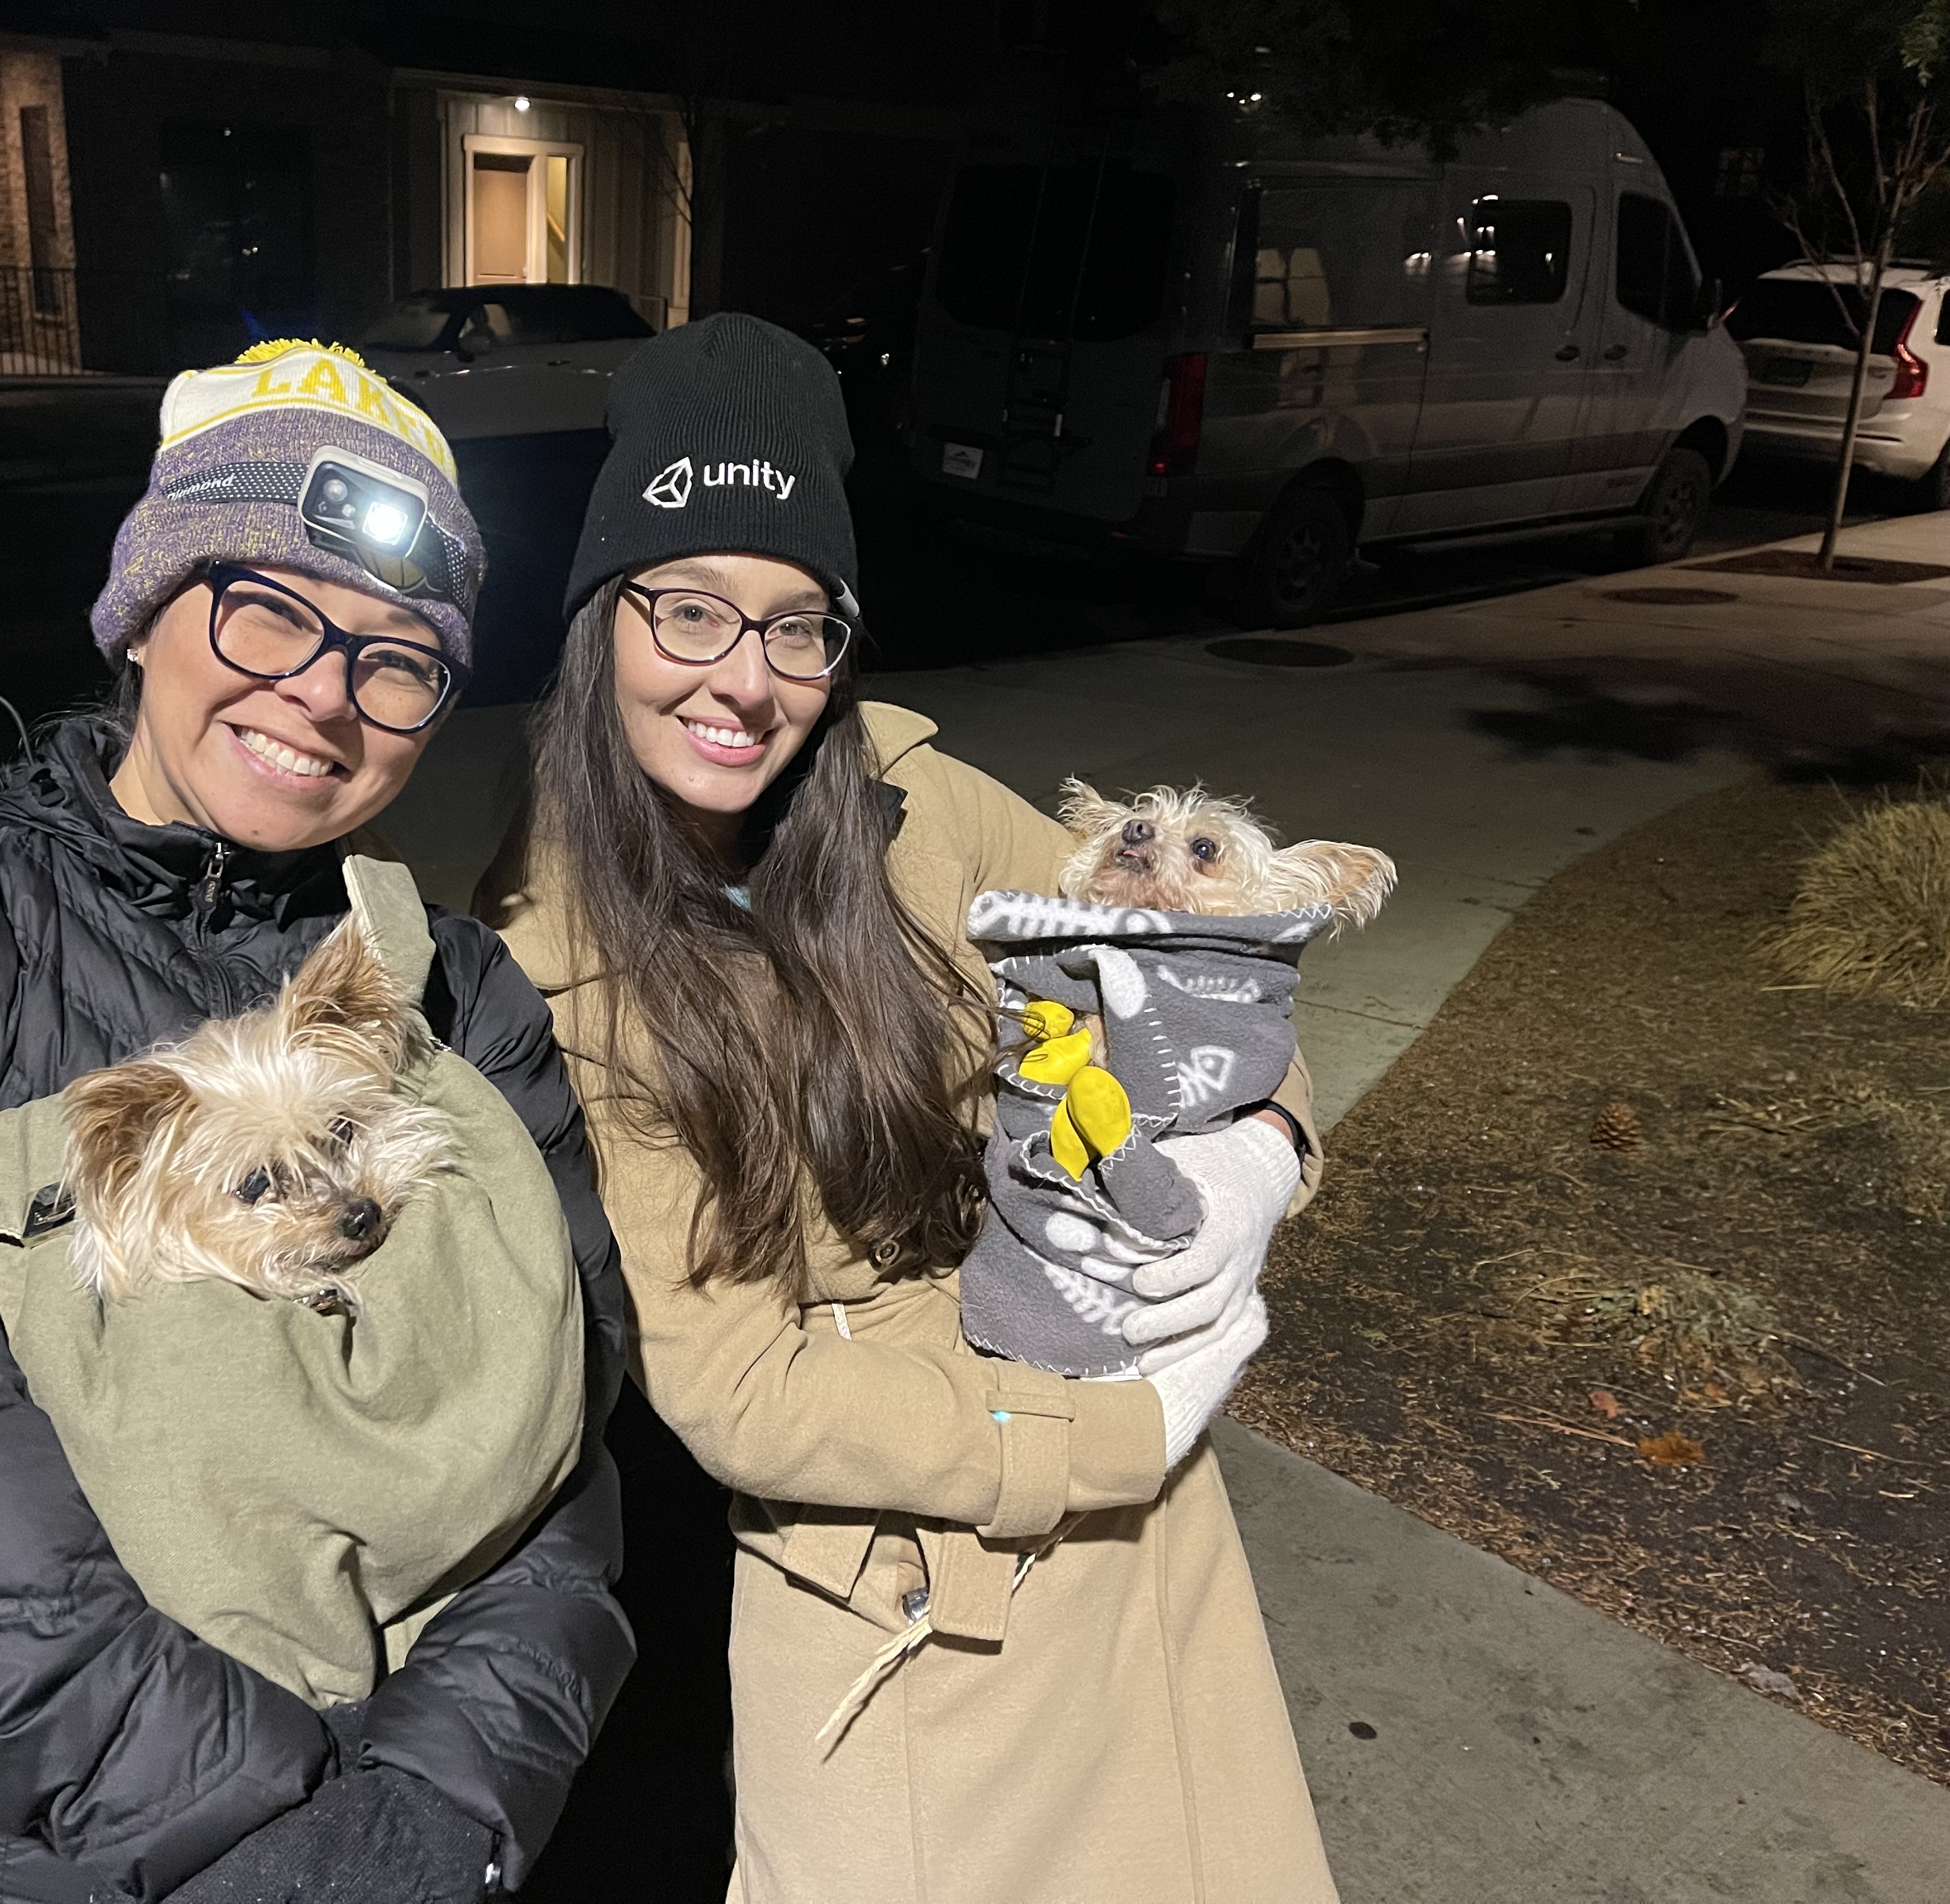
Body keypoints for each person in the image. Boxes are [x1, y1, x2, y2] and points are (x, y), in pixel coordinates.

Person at [0, 341, 632, 1904]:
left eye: (396, 661)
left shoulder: (452, 989)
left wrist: (438, 1811)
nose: (322, 694)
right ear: (145, 608)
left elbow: (564, 1437)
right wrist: (252, 1830)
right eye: (268, 609)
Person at [477, 316, 1336, 1903]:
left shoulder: (911, 800)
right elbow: (738, 1388)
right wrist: (1116, 1435)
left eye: (801, 626)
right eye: (691, 610)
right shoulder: (550, 954)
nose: (747, 678)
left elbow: (1205, 973)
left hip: (1137, 1540)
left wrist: (1262, 1153)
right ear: (602, 619)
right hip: (893, 1560)